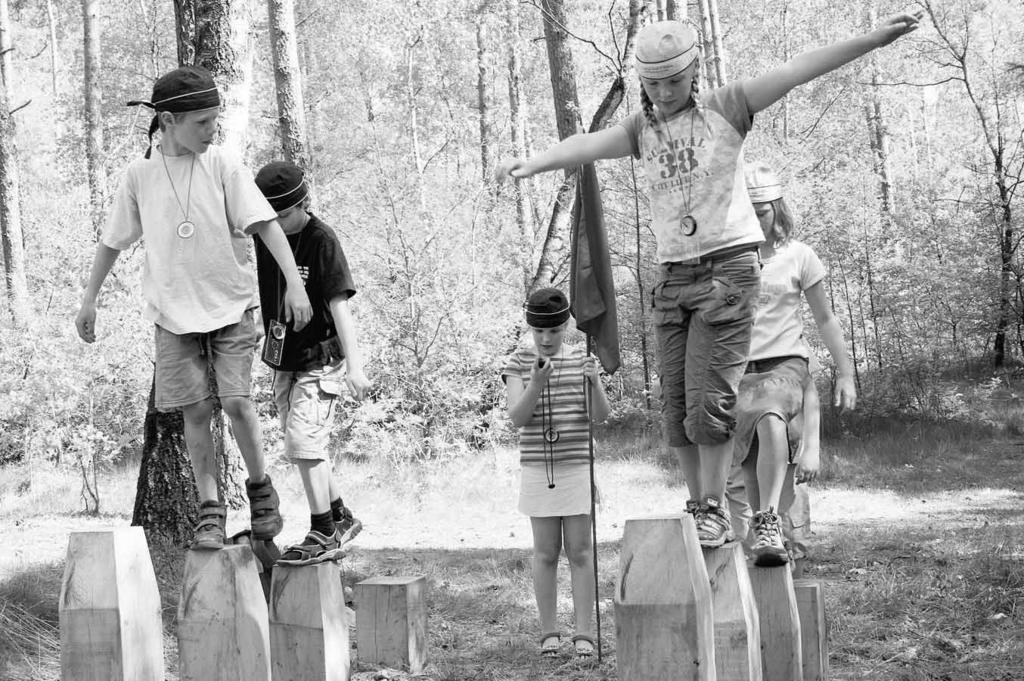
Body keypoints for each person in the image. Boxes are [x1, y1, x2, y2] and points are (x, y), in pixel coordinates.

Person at [496, 12, 920, 547]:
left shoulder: (728, 107)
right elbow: (585, 143)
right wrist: (533, 163)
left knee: (711, 403)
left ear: (694, 72)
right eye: (653, 84)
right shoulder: (640, 129)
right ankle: (700, 507)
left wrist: (874, 36)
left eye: (674, 81)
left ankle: (716, 506)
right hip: (673, 276)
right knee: (677, 405)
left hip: (727, 271)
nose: (665, 92)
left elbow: (797, 70)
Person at [74, 66, 313, 550]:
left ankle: (261, 492)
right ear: (167, 121)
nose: (211, 130)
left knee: (236, 402)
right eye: (202, 122)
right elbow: (112, 241)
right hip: (171, 316)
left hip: (229, 306)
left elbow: (265, 225)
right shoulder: (140, 176)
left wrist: (295, 285)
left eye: (214, 120)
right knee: (196, 410)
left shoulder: (222, 164)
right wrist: (89, 299)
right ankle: (210, 509)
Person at [732, 161, 856, 567]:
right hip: (739, 368)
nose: (756, 220)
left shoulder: (799, 255)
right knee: (749, 462)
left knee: (771, 417)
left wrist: (846, 372)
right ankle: (766, 548)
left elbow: (825, 318)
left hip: (784, 363)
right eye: (748, 212)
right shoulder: (731, 260)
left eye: (763, 211)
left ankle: (769, 519)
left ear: (777, 208)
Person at [253, 161, 371, 565]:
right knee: (305, 445)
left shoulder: (322, 240)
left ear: (303, 203)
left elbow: (340, 308)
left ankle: (323, 529)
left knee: (303, 442)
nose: (277, 224)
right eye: (270, 217)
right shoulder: (263, 235)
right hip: (283, 358)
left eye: (283, 215)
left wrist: (355, 367)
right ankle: (341, 516)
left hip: (321, 357)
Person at [502, 288, 611, 659]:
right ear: (530, 328)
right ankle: (549, 631)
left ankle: (584, 632)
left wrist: (595, 382)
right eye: (539, 332)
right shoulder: (519, 361)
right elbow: (517, 417)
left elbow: (599, 416)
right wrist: (536, 383)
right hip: (537, 468)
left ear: (566, 326)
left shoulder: (582, 358)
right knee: (546, 552)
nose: (546, 340)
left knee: (580, 551)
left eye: (553, 332)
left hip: (576, 465)